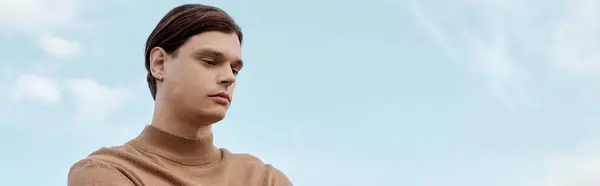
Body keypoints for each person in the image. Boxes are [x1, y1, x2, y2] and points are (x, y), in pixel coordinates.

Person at [67, 4, 293, 186]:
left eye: (234, 69)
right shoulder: (106, 171)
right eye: (210, 61)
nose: (229, 77)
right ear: (159, 64)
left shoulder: (264, 179)